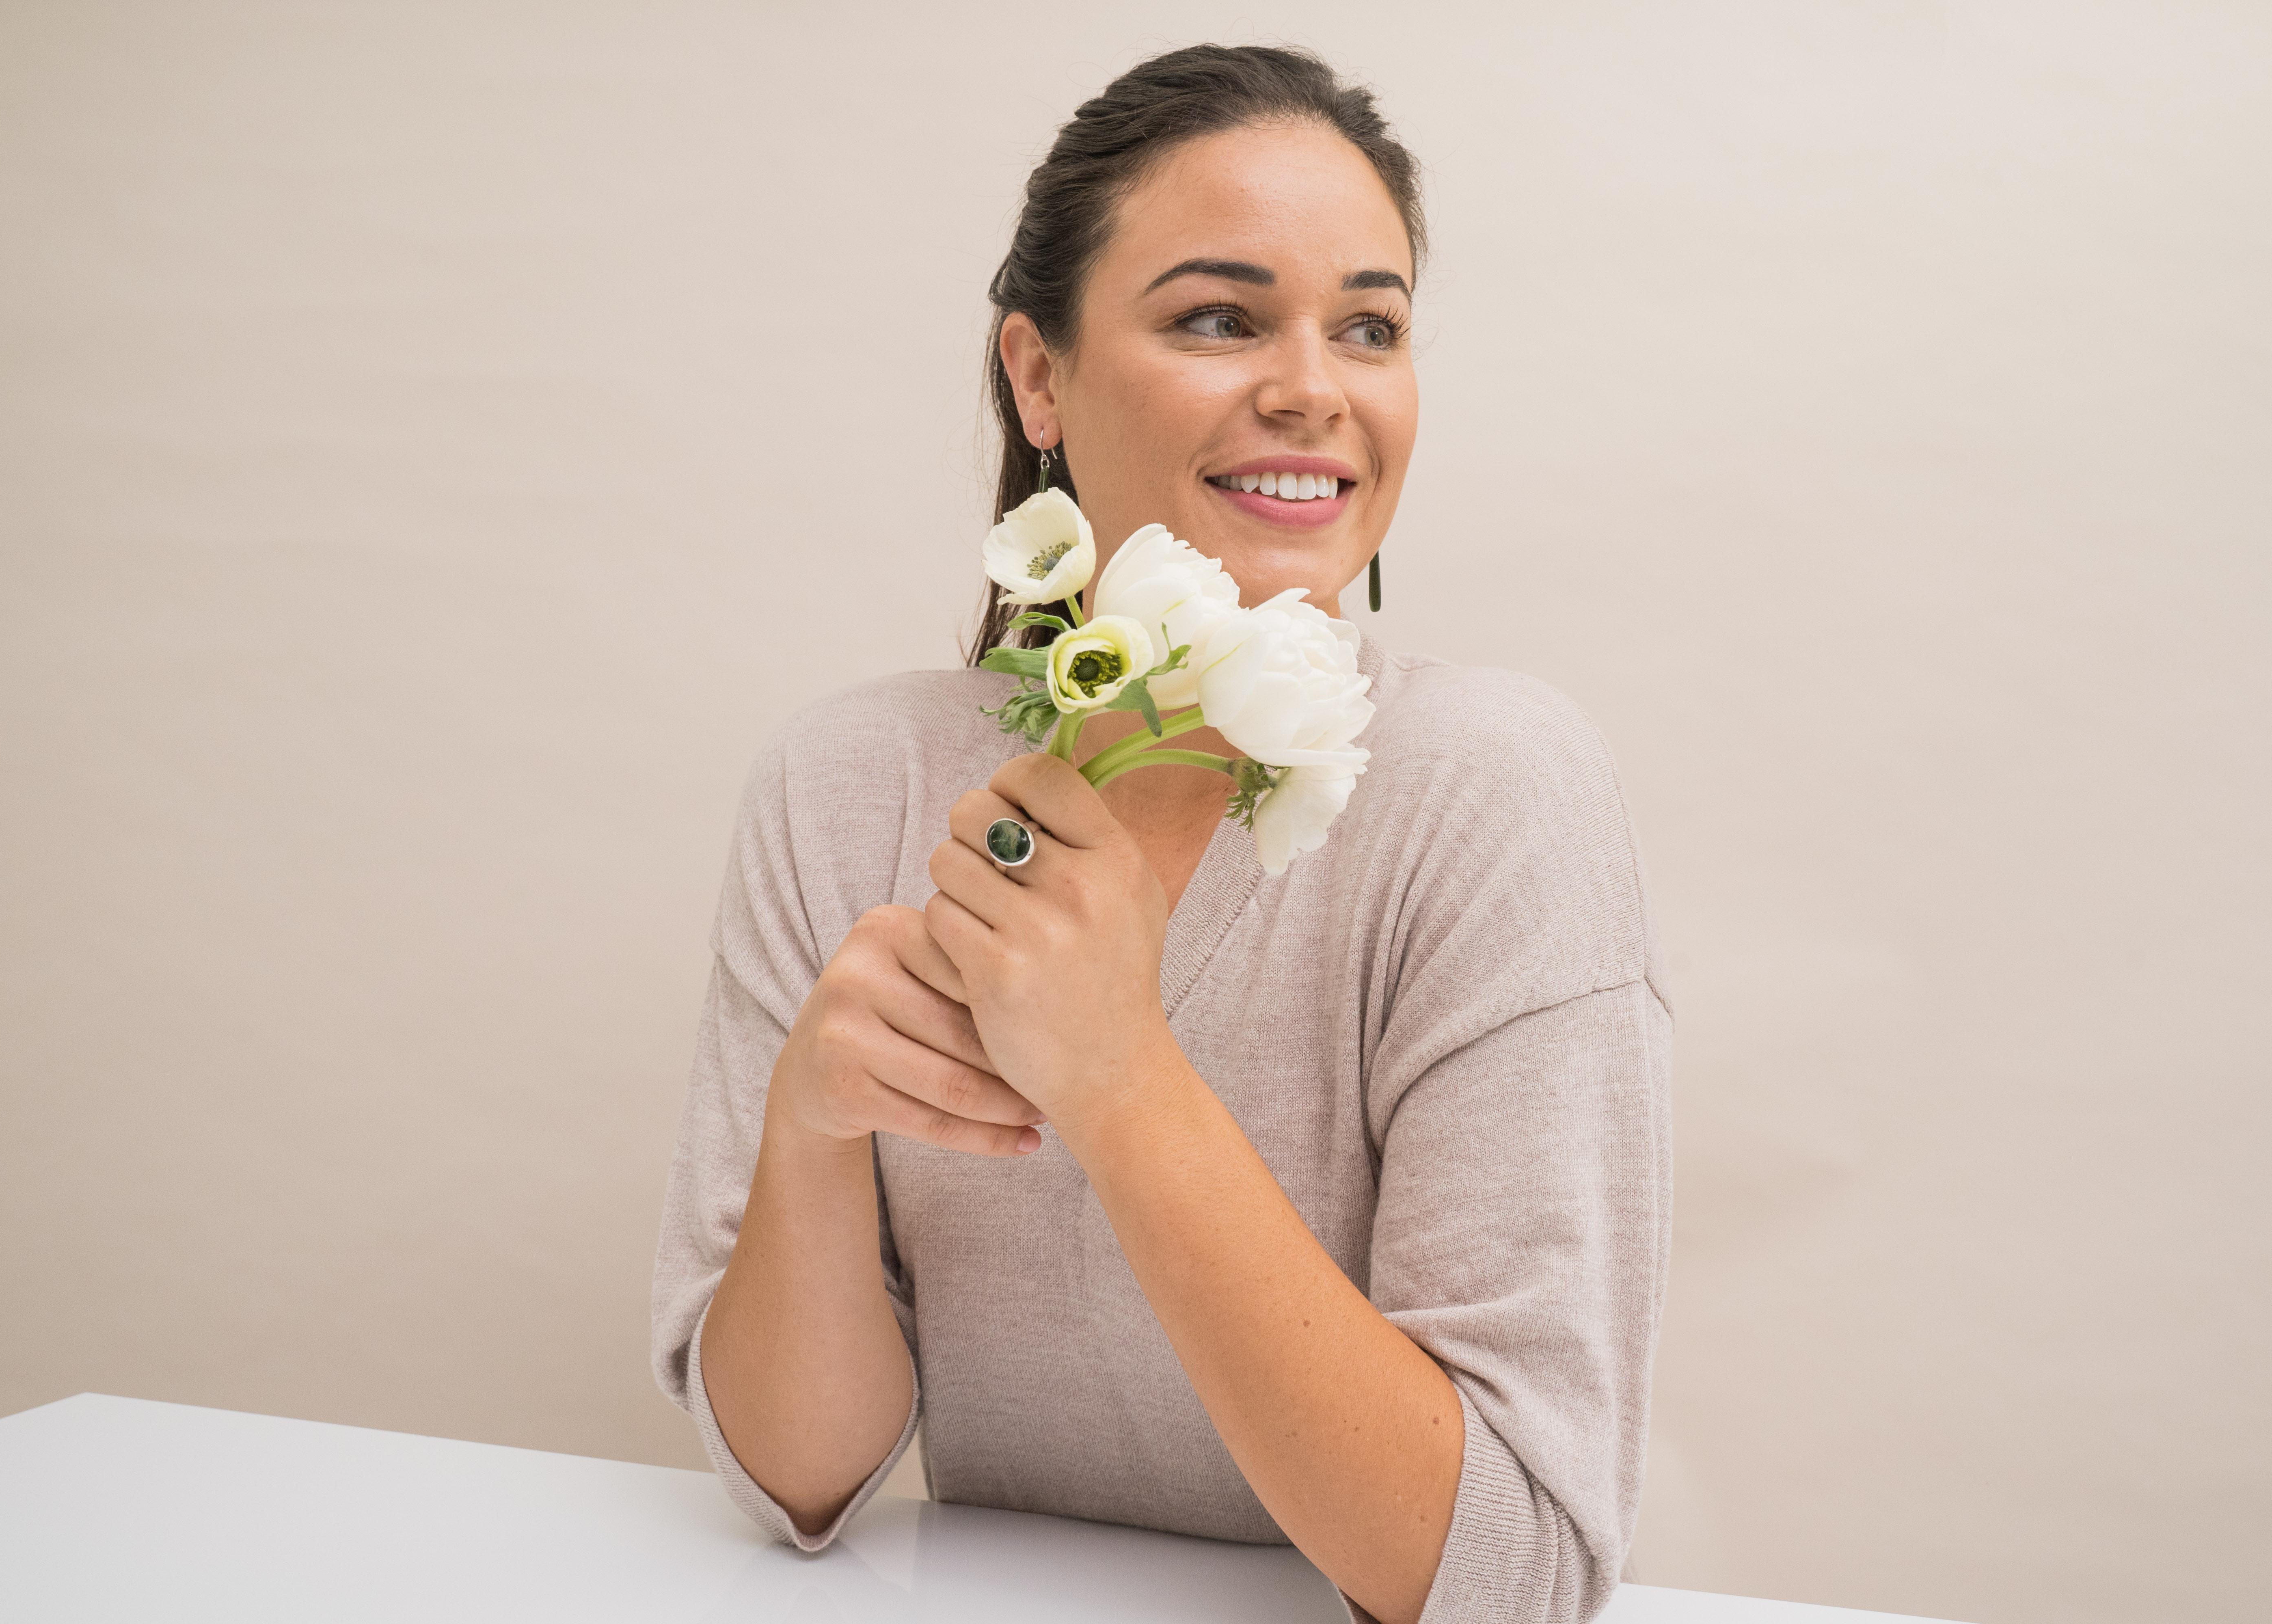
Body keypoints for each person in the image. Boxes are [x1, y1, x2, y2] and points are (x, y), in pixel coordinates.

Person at [651, 43, 1672, 1624]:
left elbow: (1512, 1577)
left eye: (1371, 326)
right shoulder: (847, 786)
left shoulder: (1497, 796)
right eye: (1219, 316)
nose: (1312, 387)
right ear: (1038, 375)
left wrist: (1118, 1073)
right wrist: (808, 1129)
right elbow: (796, 1482)